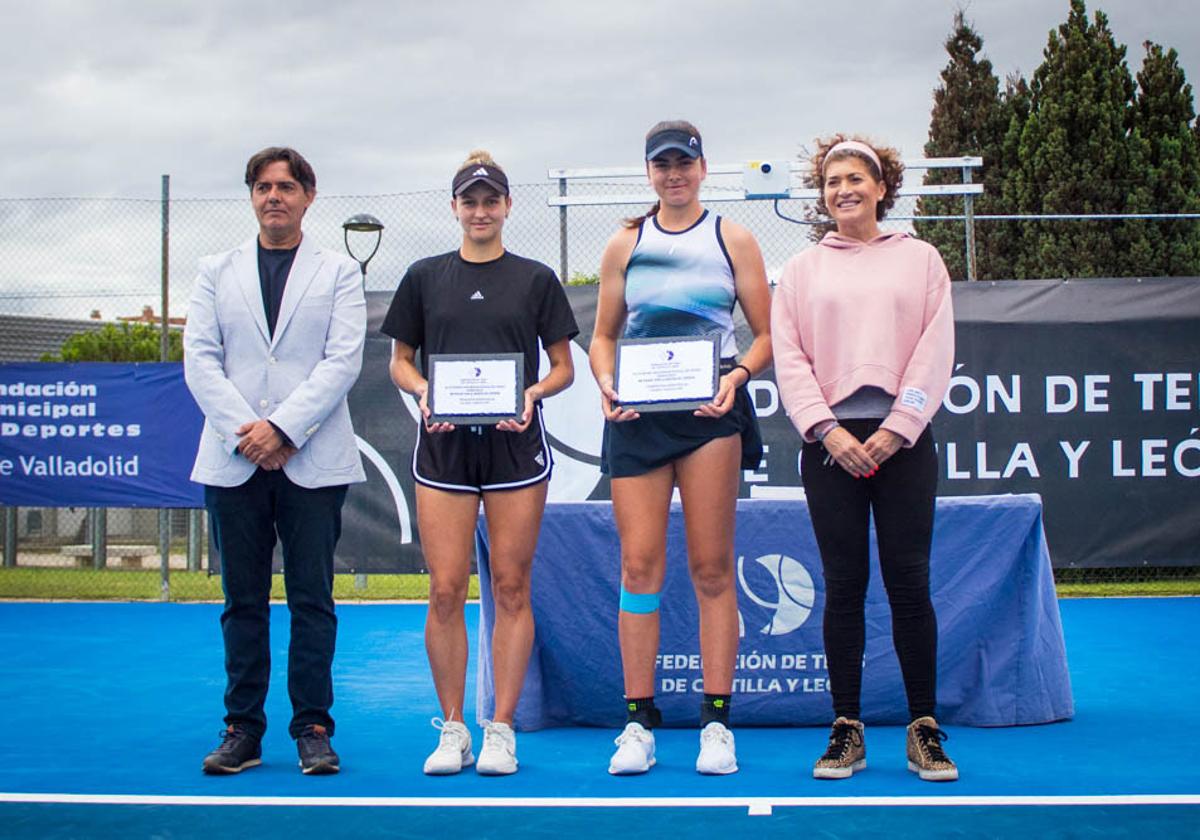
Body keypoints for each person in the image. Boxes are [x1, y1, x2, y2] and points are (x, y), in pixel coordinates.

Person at [382, 151, 578, 776]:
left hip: (516, 447)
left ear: (508, 206)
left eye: (491, 200)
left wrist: (531, 395)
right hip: (442, 448)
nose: (481, 211)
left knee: (511, 587)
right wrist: (422, 392)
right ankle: (454, 730)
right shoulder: (423, 277)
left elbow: (563, 369)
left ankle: (501, 728)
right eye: (470, 201)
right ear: (455, 208)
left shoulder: (536, 279)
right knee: (444, 589)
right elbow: (400, 362)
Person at [770, 135, 958, 782]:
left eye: (855, 178)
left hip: (902, 446)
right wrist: (828, 430)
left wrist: (900, 425)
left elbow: (935, 350)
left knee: (909, 583)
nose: (843, 189)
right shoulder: (800, 270)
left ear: (881, 187)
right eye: (831, 181)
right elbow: (789, 357)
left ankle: (924, 729)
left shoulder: (923, 259)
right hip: (831, 449)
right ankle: (845, 727)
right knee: (844, 587)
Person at [589, 121, 772, 776]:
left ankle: (716, 723)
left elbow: (764, 335)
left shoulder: (733, 238)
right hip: (639, 418)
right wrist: (606, 383)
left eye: (684, 163)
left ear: (702, 168)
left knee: (712, 568)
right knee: (639, 568)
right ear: (648, 172)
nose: (673, 174)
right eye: (661, 164)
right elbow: (603, 338)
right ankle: (638, 724)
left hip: (709, 416)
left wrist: (737, 378)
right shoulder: (625, 243)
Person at [185, 146, 367, 776]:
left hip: (311, 460)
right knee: (242, 600)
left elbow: (342, 361)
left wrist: (284, 428)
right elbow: (201, 359)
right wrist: (248, 433)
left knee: (312, 598)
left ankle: (312, 727)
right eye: (263, 186)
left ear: (308, 196)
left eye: (286, 186)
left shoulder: (339, 271)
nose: (274, 196)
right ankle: (243, 730)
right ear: (251, 196)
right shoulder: (215, 269)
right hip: (234, 459)